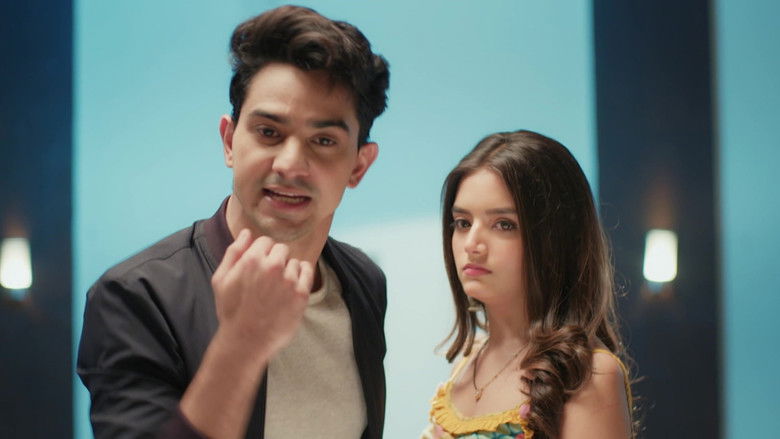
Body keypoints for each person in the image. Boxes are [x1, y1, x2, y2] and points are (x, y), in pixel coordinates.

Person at [77, 5, 390, 439]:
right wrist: (242, 342)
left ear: (358, 166)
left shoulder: (363, 282)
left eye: (323, 140)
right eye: (269, 132)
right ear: (229, 141)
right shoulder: (136, 296)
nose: (290, 164)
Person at [422, 130, 634, 439]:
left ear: (555, 240)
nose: (472, 244)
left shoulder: (588, 375)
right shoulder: (467, 364)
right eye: (463, 223)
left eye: (504, 225)